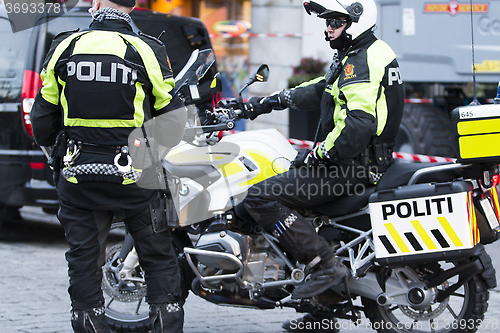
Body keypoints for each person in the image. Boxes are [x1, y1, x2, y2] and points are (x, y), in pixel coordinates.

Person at [240, 0, 404, 331]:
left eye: (335, 22)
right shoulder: (357, 55)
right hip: (353, 162)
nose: (328, 28)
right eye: (327, 21)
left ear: (356, 20)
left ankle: (326, 266)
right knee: (295, 198)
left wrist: (319, 155)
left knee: (260, 196)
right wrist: (265, 103)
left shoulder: (361, 61)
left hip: (350, 167)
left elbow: (358, 125)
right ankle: (323, 310)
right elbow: (321, 90)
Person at [30, 0, 187, 332]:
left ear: (97, 3)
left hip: (78, 176)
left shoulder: (65, 46)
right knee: (158, 257)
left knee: (84, 262)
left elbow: (42, 121)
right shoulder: (148, 49)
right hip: (137, 177)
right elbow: (173, 122)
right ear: (132, 6)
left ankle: (89, 323)